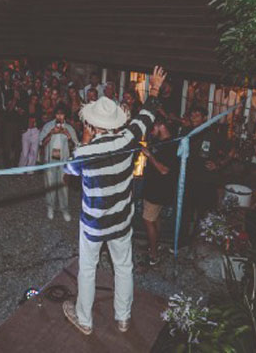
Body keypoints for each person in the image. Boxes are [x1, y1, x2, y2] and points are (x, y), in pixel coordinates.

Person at [62, 65, 166, 336]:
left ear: (93, 125)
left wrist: (84, 142)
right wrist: (153, 89)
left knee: (87, 270)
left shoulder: (88, 152)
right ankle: (123, 318)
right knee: (123, 268)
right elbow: (147, 115)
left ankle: (84, 320)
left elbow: (68, 170)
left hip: (94, 224)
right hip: (121, 222)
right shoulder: (129, 138)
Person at [141, 119, 180, 266]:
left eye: (153, 129)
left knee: (148, 220)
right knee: (155, 217)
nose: (151, 133)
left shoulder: (171, 145)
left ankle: (153, 254)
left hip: (158, 189)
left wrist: (149, 155)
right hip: (154, 186)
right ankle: (154, 244)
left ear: (161, 126)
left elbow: (164, 170)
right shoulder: (160, 141)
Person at [38, 104, 79, 221]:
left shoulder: (69, 128)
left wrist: (68, 137)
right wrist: (51, 133)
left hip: (63, 161)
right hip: (50, 160)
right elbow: (41, 143)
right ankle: (50, 207)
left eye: (62, 114)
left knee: (63, 186)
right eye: (57, 114)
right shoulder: (48, 126)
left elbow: (75, 146)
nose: (59, 116)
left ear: (65, 115)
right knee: (50, 185)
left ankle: (64, 209)